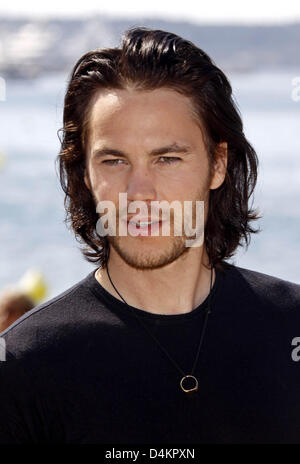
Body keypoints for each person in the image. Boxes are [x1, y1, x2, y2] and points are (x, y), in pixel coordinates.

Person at [0, 26, 299, 445]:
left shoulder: (291, 330)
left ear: (217, 164)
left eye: (167, 159)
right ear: (84, 175)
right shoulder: (22, 364)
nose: (139, 193)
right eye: (114, 161)